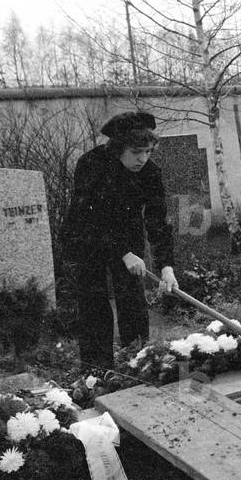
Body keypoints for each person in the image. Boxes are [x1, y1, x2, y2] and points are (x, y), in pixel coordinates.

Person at [63, 111, 177, 370]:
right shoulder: (91, 164)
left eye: (148, 151)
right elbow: (89, 217)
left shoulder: (150, 172)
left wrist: (166, 266)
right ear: (118, 148)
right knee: (94, 303)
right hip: (88, 238)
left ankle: (136, 361)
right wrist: (123, 253)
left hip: (128, 236)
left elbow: (158, 219)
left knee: (133, 300)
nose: (143, 158)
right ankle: (96, 370)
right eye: (136, 152)